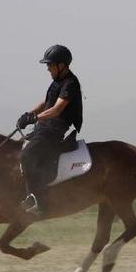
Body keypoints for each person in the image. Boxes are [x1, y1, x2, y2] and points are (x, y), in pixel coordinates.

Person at [17, 44, 83, 215]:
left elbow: (56, 110)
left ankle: (39, 202)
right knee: (15, 148)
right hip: (43, 127)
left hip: (53, 130)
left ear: (61, 65)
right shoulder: (58, 82)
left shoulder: (70, 84)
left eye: (50, 65)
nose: (47, 68)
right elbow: (46, 103)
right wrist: (28, 115)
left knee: (26, 155)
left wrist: (35, 118)